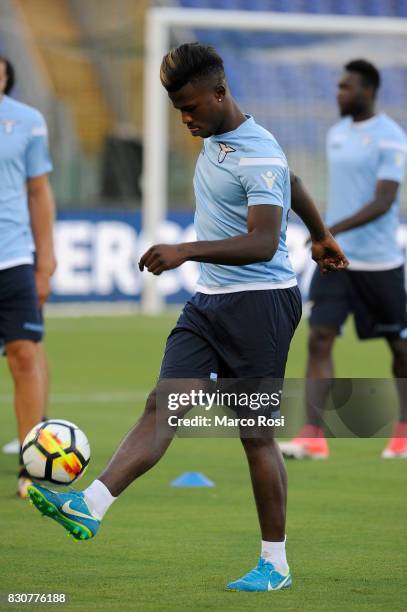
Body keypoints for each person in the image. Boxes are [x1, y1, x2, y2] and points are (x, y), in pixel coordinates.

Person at [27, 43, 346, 593]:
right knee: (164, 402)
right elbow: (290, 183)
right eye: (178, 109)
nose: (185, 119)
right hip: (209, 304)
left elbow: (265, 240)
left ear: (220, 93)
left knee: (255, 438)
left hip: (261, 306)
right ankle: (90, 506)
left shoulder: (258, 150)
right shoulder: (225, 139)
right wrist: (320, 233)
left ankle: (276, 564)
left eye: (193, 107)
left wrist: (185, 250)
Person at [280, 59, 407, 461]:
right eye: (337, 86)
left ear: (367, 90)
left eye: (345, 87)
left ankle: (403, 433)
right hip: (337, 261)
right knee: (319, 338)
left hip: (379, 262)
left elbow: (384, 200)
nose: (338, 93)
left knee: (399, 346)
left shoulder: (391, 138)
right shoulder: (336, 134)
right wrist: (328, 233)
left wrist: (331, 228)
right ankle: (313, 435)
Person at [0, 56, 56, 496]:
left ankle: (32, 463)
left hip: (14, 256)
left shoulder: (27, 122)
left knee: (25, 353)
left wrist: (46, 260)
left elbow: (38, 191)